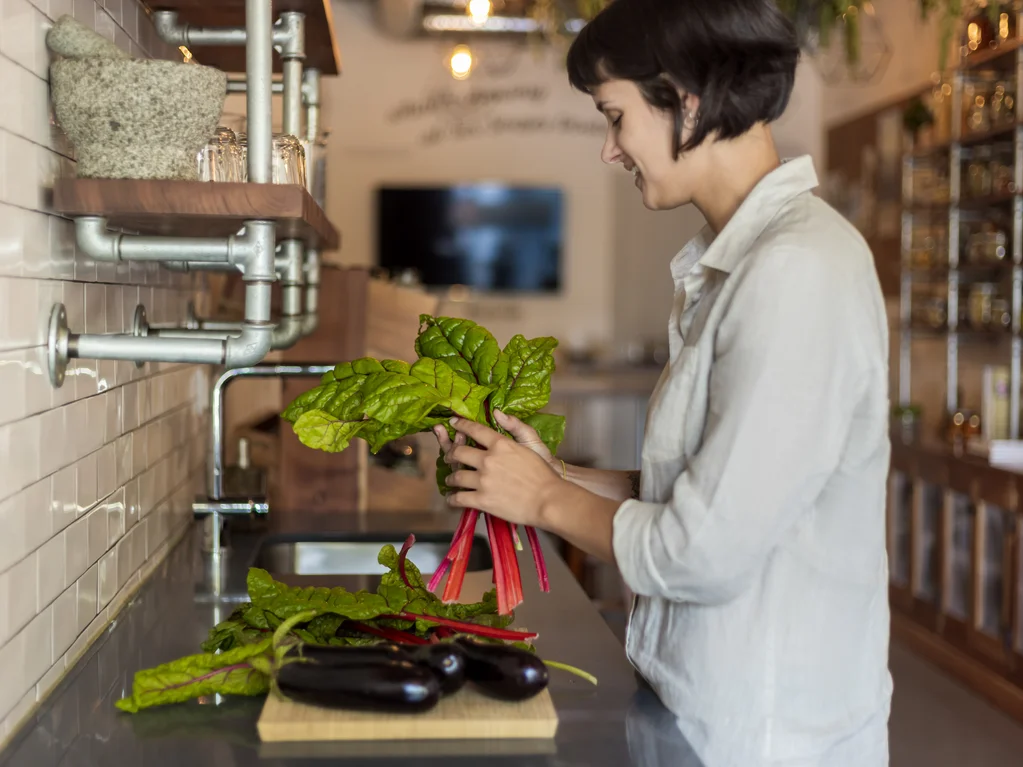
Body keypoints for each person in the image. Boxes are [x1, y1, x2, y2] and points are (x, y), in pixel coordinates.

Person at [433, 0, 893, 764]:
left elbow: (699, 550)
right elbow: (700, 490)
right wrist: (550, 473)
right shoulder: (744, 263)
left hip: (764, 736)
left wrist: (543, 499)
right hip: (706, 712)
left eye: (614, 117)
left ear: (685, 99)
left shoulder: (796, 271)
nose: (610, 150)